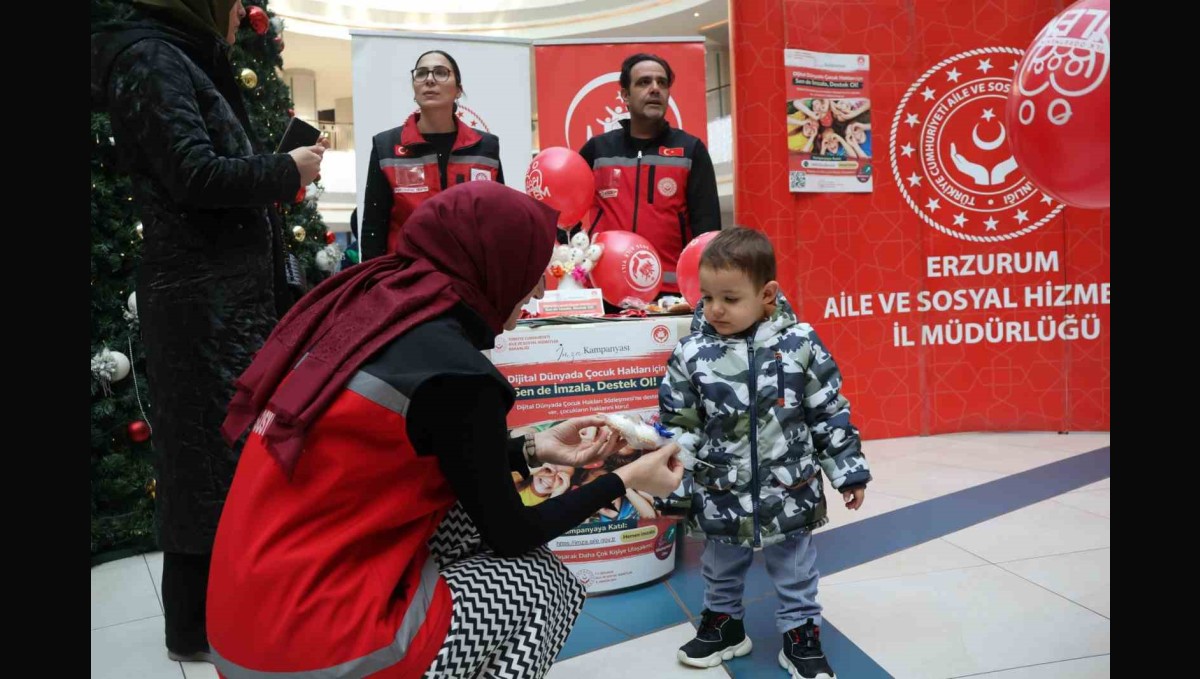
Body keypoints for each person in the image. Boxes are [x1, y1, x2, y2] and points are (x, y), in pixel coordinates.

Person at [208, 182, 684, 678]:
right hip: (314, 646)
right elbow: (513, 535)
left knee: (458, 514)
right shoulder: (458, 374)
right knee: (542, 583)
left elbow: (438, 451)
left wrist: (534, 446)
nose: (541, 289)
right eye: (533, 266)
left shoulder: (373, 312)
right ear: (492, 261)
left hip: (241, 623)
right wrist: (624, 480)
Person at [90, 0, 326, 662]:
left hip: (220, 299)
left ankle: (210, 620)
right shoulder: (152, 58)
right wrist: (288, 170)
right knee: (203, 463)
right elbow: (191, 174)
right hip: (201, 305)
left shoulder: (173, 55)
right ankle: (197, 629)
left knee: (215, 461)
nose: (237, 15)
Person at [659, 228, 871, 678]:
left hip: (789, 489)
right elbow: (680, 425)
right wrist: (670, 480)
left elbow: (828, 410)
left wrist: (848, 470)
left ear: (767, 294)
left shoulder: (801, 345)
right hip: (720, 490)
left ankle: (800, 632)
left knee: (795, 569)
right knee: (719, 563)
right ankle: (724, 624)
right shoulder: (691, 353)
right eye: (709, 295)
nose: (714, 308)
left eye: (730, 299)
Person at [573, 53, 721, 297]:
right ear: (625, 96)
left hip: (671, 295)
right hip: (604, 291)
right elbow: (562, 212)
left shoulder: (690, 150)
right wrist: (577, 250)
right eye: (644, 82)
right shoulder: (597, 150)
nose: (655, 89)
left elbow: (707, 231)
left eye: (662, 83)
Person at [360, 50, 504, 261]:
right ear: (414, 88)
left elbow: (497, 220)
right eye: (421, 73)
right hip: (406, 281)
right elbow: (374, 226)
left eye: (440, 72)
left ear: (458, 90)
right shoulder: (386, 146)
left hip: (470, 280)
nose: (429, 80)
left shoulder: (486, 146)